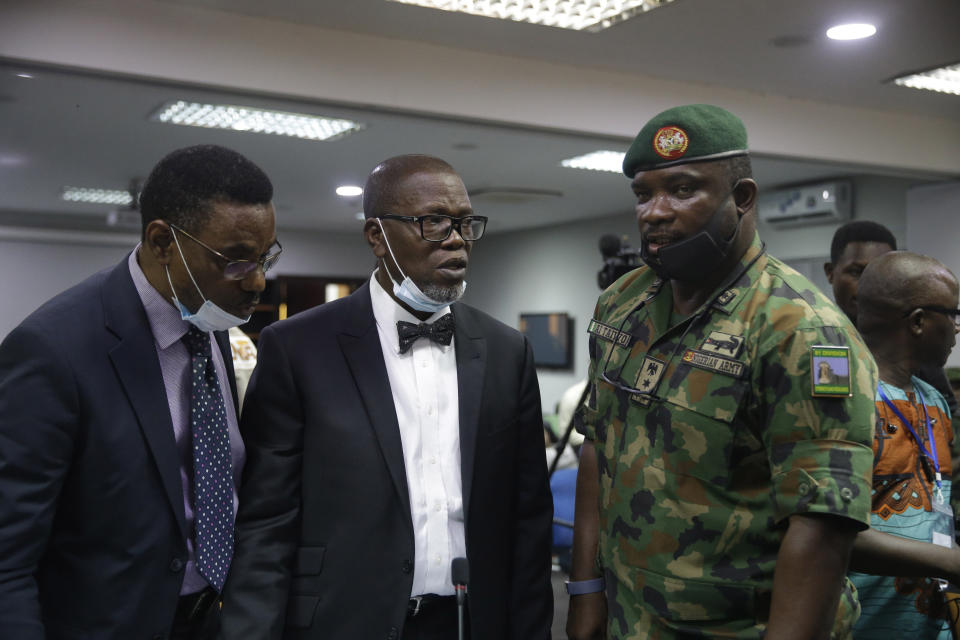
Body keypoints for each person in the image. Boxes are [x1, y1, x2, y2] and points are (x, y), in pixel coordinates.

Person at [566, 104, 877, 640]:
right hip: (629, 620)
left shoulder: (799, 328)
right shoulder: (622, 304)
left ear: (742, 198)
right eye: (644, 194)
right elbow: (596, 444)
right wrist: (585, 591)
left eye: (683, 190)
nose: (654, 212)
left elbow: (822, 527)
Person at [218, 154, 554, 640]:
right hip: (341, 619)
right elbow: (267, 521)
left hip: (474, 621)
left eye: (463, 222)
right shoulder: (296, 348)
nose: (456, 237)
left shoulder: (507, 350)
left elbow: (528, 517)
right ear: (377, 236)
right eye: (433, 221)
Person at [0, 144, 280, 639]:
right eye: (235, 261)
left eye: (264, 257)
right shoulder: (53, 351)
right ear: (162, 242)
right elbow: (7, 558)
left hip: (220, 622)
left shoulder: (210, 320)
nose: (257, 281)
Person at [847, 251, 960, 639]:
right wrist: (949, 561)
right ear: (918, 322)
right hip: (863, 626)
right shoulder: (848, 400)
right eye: (953, 316)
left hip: (930, 623)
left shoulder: (934, 400)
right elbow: (832, 531)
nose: (957, 330)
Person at [823, 220, 897, 325]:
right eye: (856, 272)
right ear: (830, 272)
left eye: (882, 273)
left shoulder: (909, 335)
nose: (871, 285)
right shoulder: (811, 333)